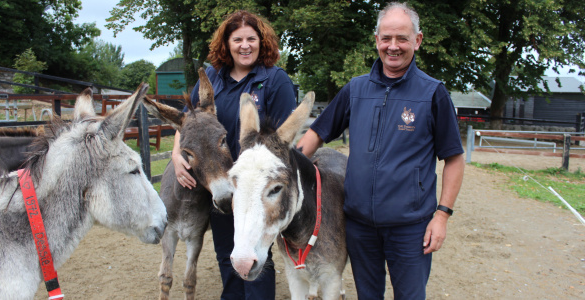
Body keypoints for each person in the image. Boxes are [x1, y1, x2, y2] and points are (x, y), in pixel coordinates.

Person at [296, 2, 465, 299]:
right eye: (386, 38)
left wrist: (442, 215)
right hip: (360, 227)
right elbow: (317, 133)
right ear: (376, 40)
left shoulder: (432, 93)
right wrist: (289, 165)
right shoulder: (355, 89)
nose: (393, 46)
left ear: (418, 40)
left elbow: (454, 158)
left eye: (402, 38)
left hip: (411, 229)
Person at [171, 10, 297, 300]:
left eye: (251, 38)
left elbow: (282, 142)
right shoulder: (212, 76)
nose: (245, 45)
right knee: (226, 253)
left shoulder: (275, 80)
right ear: (226, 43)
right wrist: (177, 154)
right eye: (237, 39)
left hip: (255, 188)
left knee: (253, 254)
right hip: (222, 184)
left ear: (261, 41)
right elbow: (189, 120)